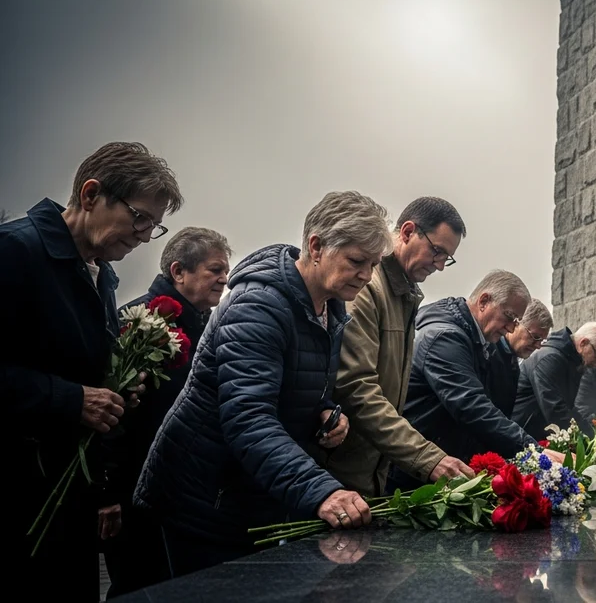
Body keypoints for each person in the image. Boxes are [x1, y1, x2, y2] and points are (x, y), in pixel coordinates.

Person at [133, 191, 392, 578]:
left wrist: (325, 412)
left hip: (252, 493)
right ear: (316, 247)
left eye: (373, 264)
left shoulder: (329, 308)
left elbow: (295, 385)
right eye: (357, 261)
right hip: (207, 497)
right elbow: (248, 417)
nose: (367, 275)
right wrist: (322, 490)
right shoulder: (258, 306)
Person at [0, 141, 181, 600]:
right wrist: (74, 399)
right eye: (139, 217)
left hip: (69, 498)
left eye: (154, 226)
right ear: (90, 194)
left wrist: (115, 388)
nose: (145, 235)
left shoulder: (100, 272)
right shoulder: (15, 251)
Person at [102, 227, 231, 597]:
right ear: (178, 271)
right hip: (135, 490)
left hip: (184, 491)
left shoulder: (208, 324)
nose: (225, 279)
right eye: (215, 270)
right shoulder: (138, 323)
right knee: (138, 587)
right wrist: (107, 493)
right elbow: (112, 416)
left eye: (226, 270)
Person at [323, 197, 476, 497]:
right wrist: (428, 458)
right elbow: (357, 389)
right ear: (407, 232)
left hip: (369, 473)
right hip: (339, 476)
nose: (440, 266)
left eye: (447, 258)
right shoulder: (366, 288)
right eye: (437, 251)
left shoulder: (403, 294)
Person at [398, 271, 562, 490]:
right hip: (416, 470)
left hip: (439, 464)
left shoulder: (479, 340)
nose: (511, 328)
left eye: (516, 321)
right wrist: (533, 451)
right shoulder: (445, 338)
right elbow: (473, 407)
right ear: (484, 301)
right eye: (509, 317)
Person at [512, 321, 596, 440]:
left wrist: (594, 436)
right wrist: (587, 440)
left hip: (533, 435)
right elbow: (556, 410)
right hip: (520, 435)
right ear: (583, 343)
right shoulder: (550, 358)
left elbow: (570, 409)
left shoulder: (572, 362)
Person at [486, 298, 554, 417]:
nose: (538, 346)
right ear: (516, 323)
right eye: (535, 337)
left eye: (542, 340)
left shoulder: (511, 360)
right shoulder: (489, 354)